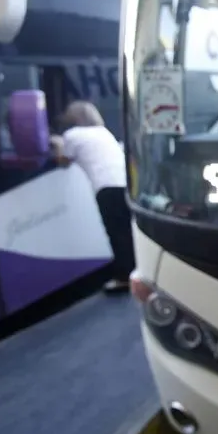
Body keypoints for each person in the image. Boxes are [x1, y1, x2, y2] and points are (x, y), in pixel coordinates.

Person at [50, 101, 134, 294]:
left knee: (116, 233)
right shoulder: (103, 132)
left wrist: (56, 144)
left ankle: (123, 278)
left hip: (106, 187)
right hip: (125, 183)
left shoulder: (72, 136)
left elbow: (63, 161)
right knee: (127, 230)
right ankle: (137, 271)